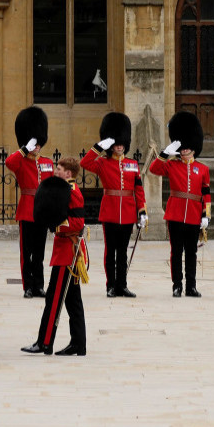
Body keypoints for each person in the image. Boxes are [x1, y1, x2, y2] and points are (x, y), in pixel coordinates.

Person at [22, 158, 89, 356]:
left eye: (58, 169)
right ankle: (78, 343)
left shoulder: (71, 191)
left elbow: (77, 223)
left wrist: (53, 225)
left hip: (68, 252)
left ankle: (45, 342)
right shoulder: (64, 189)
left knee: (54, 299)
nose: (55, 171)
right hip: (65, 250)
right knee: (72, 301)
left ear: (68, 173)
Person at [80, 112, 147, 297]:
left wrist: (142, 211)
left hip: (127, 212)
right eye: (116, 143)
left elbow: (138, 189)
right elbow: (84, 162)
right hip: (109, 211)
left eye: (121, 143)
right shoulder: (102, 162)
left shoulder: (133, 164)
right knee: (110, 252)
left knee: (123, 252)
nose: (119, 146)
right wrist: (98, 147)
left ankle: (122, 285)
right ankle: (110, 285)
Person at [150, 111, 211, 297]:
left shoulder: (202, 169)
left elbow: (206, 194)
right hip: (175, 214)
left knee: (191, 253)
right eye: (181, 147)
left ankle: (191, 286)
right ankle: (177, 285)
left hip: (193, 214)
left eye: (187, 147)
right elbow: (153, 169)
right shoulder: (172, 164)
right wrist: (164, 154)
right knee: (176, 252)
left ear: (193, 146)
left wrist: (205, 215)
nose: (184, 150)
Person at [5, 106, 52, 298]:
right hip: (26, 209)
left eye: (39, 143)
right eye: (35, 142)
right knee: (27, 253)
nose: (37, 146)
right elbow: (9, 163)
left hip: (42, 210)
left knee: (39, 253)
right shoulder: (21, 160)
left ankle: (39, 285)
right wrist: (25, 148)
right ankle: (28, 286)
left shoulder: (47, 161)